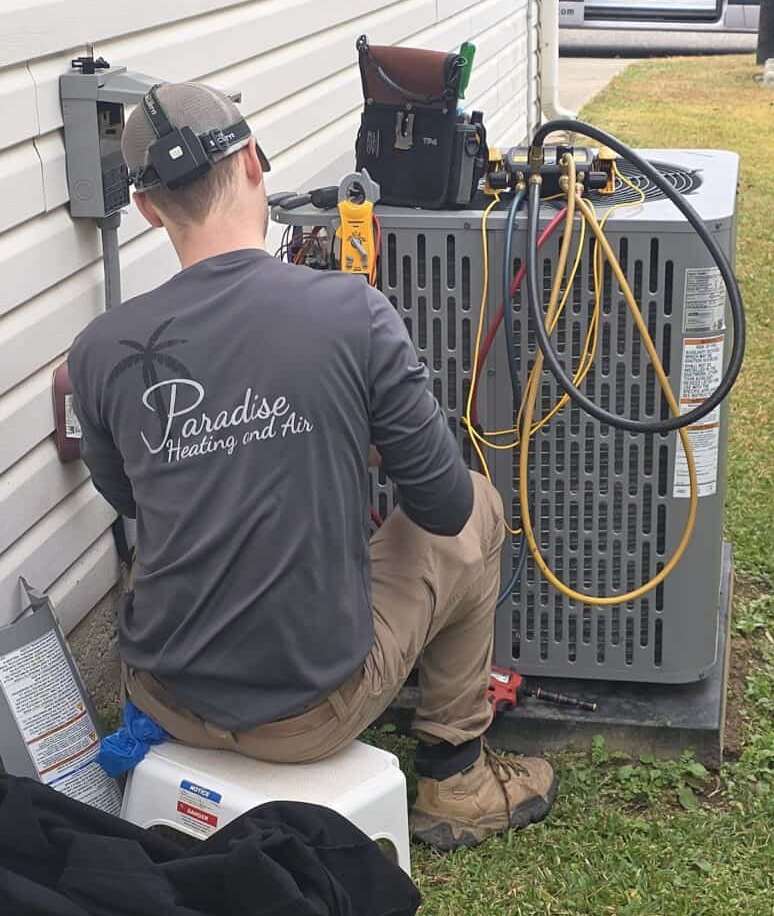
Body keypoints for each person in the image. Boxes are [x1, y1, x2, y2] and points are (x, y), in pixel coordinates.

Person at [68, 82, 557, 851]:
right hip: (306, 716)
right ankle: (455, 776)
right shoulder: (350, 313)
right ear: (252, 163)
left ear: (148, 210)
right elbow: (441, 506)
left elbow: (129, 497)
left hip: (166, 697)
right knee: (479, 503)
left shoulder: (99, 350)